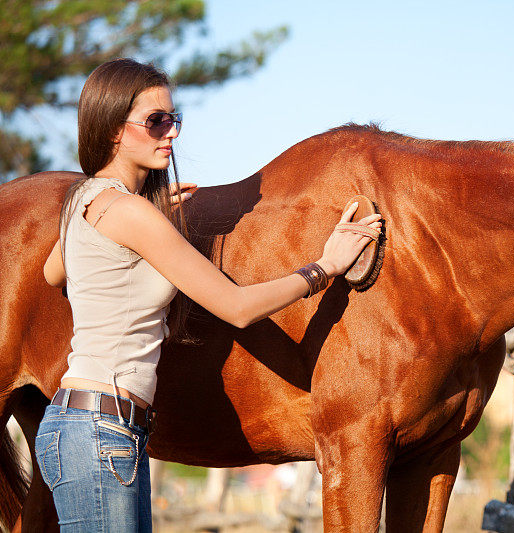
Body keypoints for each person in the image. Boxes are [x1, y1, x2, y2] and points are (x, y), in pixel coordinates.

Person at [36, 58, 382, 532]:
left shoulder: (84, 199)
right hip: (101, 434)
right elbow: (236, 308)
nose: (171, 133)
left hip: (87, 428)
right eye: (155, 121)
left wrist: (148, 216)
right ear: (114, 129)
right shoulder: (131, 214)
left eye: (174, 119)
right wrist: (325, 268)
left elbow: (52, 272)